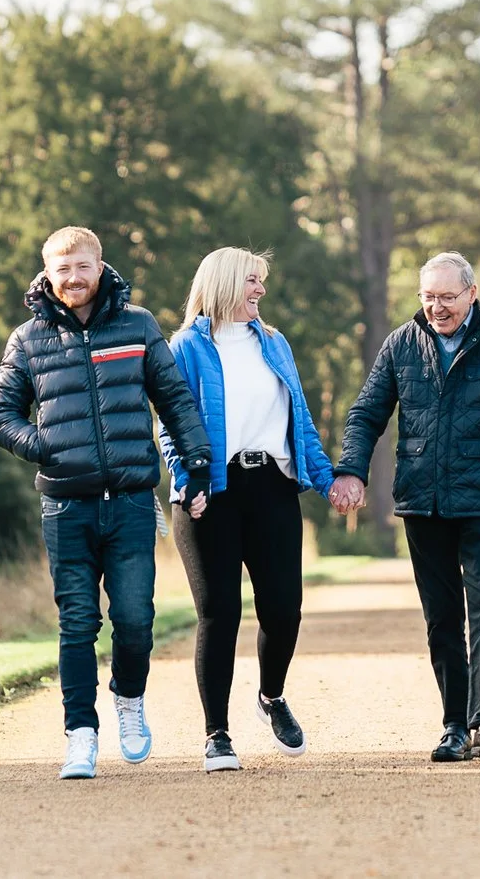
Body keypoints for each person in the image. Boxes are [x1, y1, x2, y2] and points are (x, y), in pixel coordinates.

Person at [329, 251, 480, 763]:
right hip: (424, 501)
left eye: (447, 297)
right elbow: (366, 413)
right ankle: (453, 725)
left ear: (472, 292)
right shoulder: (401, 343)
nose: (437, 308)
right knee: (441, 617)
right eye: (429, 297)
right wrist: (351, 469)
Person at [0, 226, 211, 782]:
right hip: (66, 507)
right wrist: (46, 449)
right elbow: (0, 414)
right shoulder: (27, 338)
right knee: (78, 622)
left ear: (99, 266)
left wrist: (199, 460)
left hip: (132, 502)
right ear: (47, 273)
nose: (73, 279)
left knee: (135, 620)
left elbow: (175, 399)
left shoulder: (137, 325)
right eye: (62, 270)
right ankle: (80, 735)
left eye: (82, 267)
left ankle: (129, 701)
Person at [157, 246, 336, 774]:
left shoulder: (275, 344)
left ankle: (271, 697)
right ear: (225, 284)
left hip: (272, 487)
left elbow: (299, 421)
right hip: (209, 492)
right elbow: (171, 421)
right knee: (220, 613)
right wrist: (188, 481)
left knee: (283, 609)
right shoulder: (185, 346)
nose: (260, 290)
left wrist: (327, 482)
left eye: (261, 281)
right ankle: (217, 734)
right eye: (252, 281)